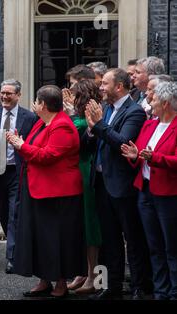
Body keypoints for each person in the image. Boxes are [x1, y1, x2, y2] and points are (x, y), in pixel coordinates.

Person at [7, 85, 85, 299]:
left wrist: (21, 145)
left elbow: (47, 156)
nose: (34, 105)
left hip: (59, 193)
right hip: (39, 188)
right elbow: (33, 149)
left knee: (57, 239)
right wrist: (19, 143)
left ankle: (61, 282)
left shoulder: (63, 126)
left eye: (37, 101)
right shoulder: (43, 122)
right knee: (40, 238)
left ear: (43, 104)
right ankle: (44, 280)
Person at [84, 68, 149, 300]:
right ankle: (112, 287)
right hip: (101, 182)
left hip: (122, 185)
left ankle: (139, 287)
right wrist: (91, 131)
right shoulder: (106, 109)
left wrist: (99, 125)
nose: (100, 87)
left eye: (104, 84)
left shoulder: (135, 112)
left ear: (119, 87)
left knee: (132, 239)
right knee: (109, 239)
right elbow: (91, 143)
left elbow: (123, 144)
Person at [121, 81, 177, 300]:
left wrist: (155, 158)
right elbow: (142, 154)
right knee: (154, 246)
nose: (148, 102)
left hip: (169, 195)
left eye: (152, 99)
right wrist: (136, 157)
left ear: (165, 103)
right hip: (145, 191)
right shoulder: (149, 125)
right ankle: (160, 291)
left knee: (171, 247)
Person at [0, 79, 36, 274]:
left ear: (18, 95)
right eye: (3, 93)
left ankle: (12, 256)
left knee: (15, 213)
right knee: (2, 210)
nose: (4, 96)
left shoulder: (29, 117)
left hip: (18, 171)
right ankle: (14, 243)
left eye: (9, 94)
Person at [65, 80, 103, 294]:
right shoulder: (78, 115)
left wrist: (69, 114)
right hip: (76, 169)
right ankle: (82, 272)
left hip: (86, 170)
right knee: (80, 225)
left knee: (91, 226)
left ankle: (93, 277)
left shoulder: (86, 116)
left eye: (74, 93)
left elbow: (73, 136)